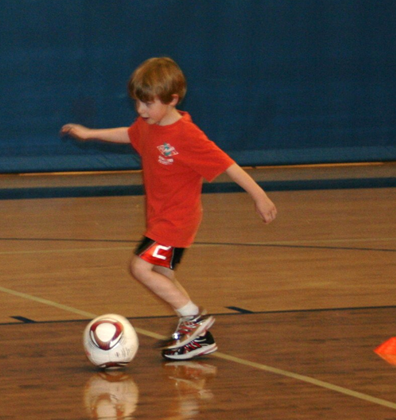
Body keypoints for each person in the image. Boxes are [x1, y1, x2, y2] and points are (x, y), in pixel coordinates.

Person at [61, 57, 277, 360]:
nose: (140, 111)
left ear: (173, 99)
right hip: (160, 217)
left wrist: (259, 196)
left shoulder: (187, 136)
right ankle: (197, 338)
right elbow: (130, 133)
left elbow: (226, 164)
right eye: (137, 103)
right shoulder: (149, 124)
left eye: (147, 104)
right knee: (163, 274)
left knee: (140, 267)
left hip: (177, 219)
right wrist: (90, 133)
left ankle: (194, 319)